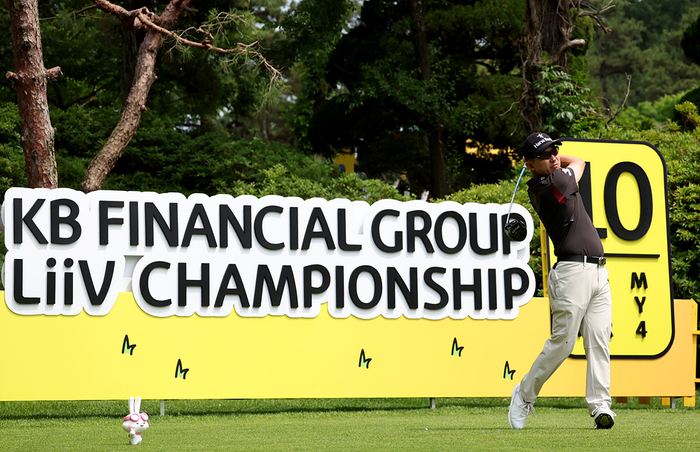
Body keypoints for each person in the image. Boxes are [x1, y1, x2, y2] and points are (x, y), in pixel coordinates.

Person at [508, 132, 616, 430]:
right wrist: (555, 160)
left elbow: (570, 161)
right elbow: (579, 162)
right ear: (530, 166)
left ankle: (600, 405)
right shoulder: (551, 185)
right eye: (545, 155)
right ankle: (524, 394)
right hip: (571, 273)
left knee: (599, 339)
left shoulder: (553, 175)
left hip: (598, 271)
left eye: (555, 150)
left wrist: (548, 154)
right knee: (563, 343)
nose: (554, 157)